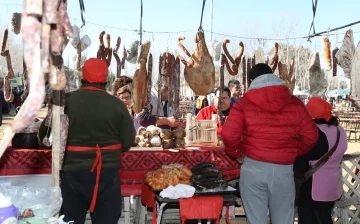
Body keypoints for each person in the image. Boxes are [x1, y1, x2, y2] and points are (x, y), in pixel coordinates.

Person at [38, 58, 135, 224]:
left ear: (82, 76)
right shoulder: (118, 105)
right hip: (107, 175)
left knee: (71, 220)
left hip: (73, 175)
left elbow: (44, 138)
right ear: (105, 80)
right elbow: (127, 142)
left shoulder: (65, 101)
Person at [222, 63, 318, 224]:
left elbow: (229, 135)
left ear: (251, 80)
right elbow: (311, 136)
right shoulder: (294, 103)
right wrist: (292, 152)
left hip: (254, 167)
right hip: (284, 170)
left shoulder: (243, 103)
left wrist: (238, 154)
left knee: (256, 220)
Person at [295, 97, 347, 224]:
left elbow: (303, 160)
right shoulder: (340, 130)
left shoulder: (315, 133)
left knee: (309, 218)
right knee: (324, 217)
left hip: (312, 186)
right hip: (332, 185)